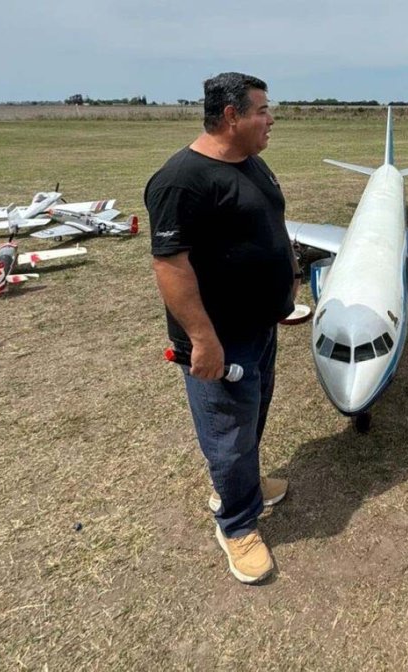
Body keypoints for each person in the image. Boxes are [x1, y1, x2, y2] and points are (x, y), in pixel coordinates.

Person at [145, 72, 301, 584]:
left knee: (252, 413)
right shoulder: (181, 180)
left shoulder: (251, 162)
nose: (270, 119)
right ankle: (236, 523)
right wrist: (202, 340)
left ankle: (243, 486)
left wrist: (284, 287)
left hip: (260, 325)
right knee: (228, 432)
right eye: (262, 110)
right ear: (232, 116)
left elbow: (269, 227)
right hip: (220, 337)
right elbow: (170, 265)